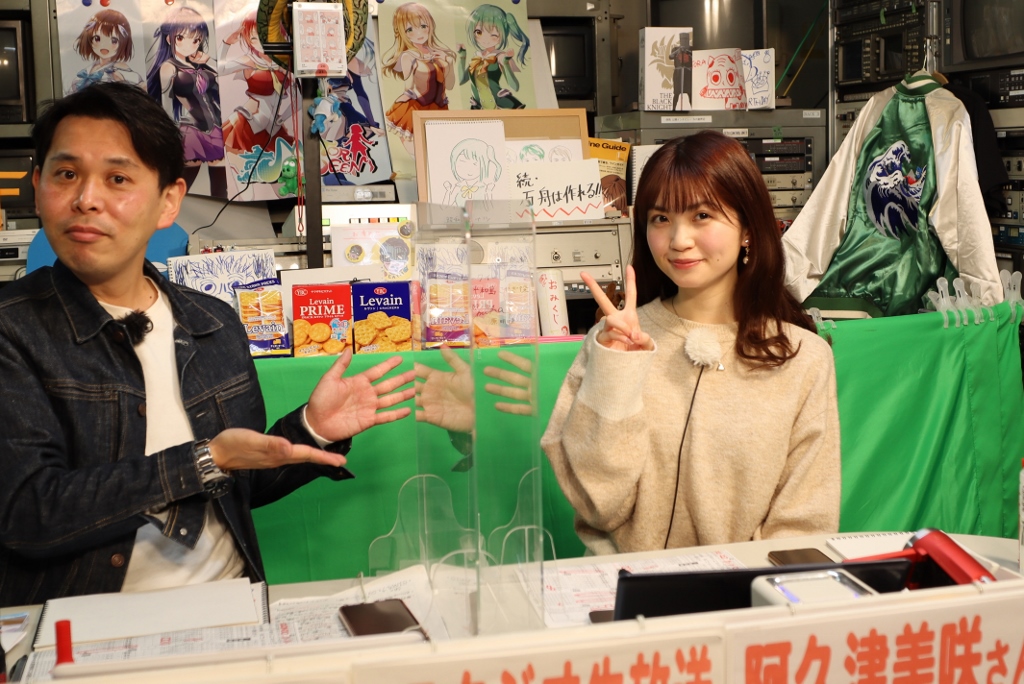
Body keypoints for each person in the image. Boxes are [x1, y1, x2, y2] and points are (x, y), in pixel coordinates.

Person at [0, 83, 415, 606]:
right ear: (38, 185)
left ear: (168, 202)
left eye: (117, 178)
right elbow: (28, 515)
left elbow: (238, 483)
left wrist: (310, 428)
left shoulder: (213, 322)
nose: (86, 199)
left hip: (231, 604)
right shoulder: (13, 330)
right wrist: (203, 460)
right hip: (85, 621)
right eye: (66, 174)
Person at [541, 131, 840, 555]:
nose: (679, 240)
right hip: (619, 588)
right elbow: (598, 506)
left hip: (746, 591)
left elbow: (803, 526)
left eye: (702, 215)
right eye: (660, 218)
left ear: (748, 229)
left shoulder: (803, 359)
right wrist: (616, 371)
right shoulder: (613, 342)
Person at [147, 5, 226, 196]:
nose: (190, 44)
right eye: (181, 37)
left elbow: (226, 79)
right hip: (190, 133)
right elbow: (166, 104)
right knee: (181, 189)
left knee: (221, 190)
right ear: (170, 38)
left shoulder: (201, 65)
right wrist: (170, 136)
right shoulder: (168, 67)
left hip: (216, 129)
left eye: (196, 39)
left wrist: (207, 61)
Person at [381, 2, 456, 157]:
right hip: (416, 108)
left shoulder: (440, 53)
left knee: (441, 155)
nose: (419, 33)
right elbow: (408, 86)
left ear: (430, 25)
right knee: (419, 156)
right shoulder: (408, 56)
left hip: (440, 108)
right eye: (410, 29)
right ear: (403, 32)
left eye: (423, 26)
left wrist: (448, 63)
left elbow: (449, 85)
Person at [456, 4, 529, 110]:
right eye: (479, 32)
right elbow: (461, 80)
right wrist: (462, 56)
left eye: (493, 35)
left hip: (499, 105)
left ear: (502, 35)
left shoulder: (500, 56)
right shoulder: (477, 57)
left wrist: (506, 63)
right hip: (478, 107)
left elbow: (515, 86)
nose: (485, 39)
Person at [68, 9, 143, 93]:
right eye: (97, 38)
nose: (104, 45)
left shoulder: (119, 69)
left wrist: (122, 81)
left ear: (123, 43)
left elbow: (141, 87)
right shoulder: (89, 69)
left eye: (114, 40)